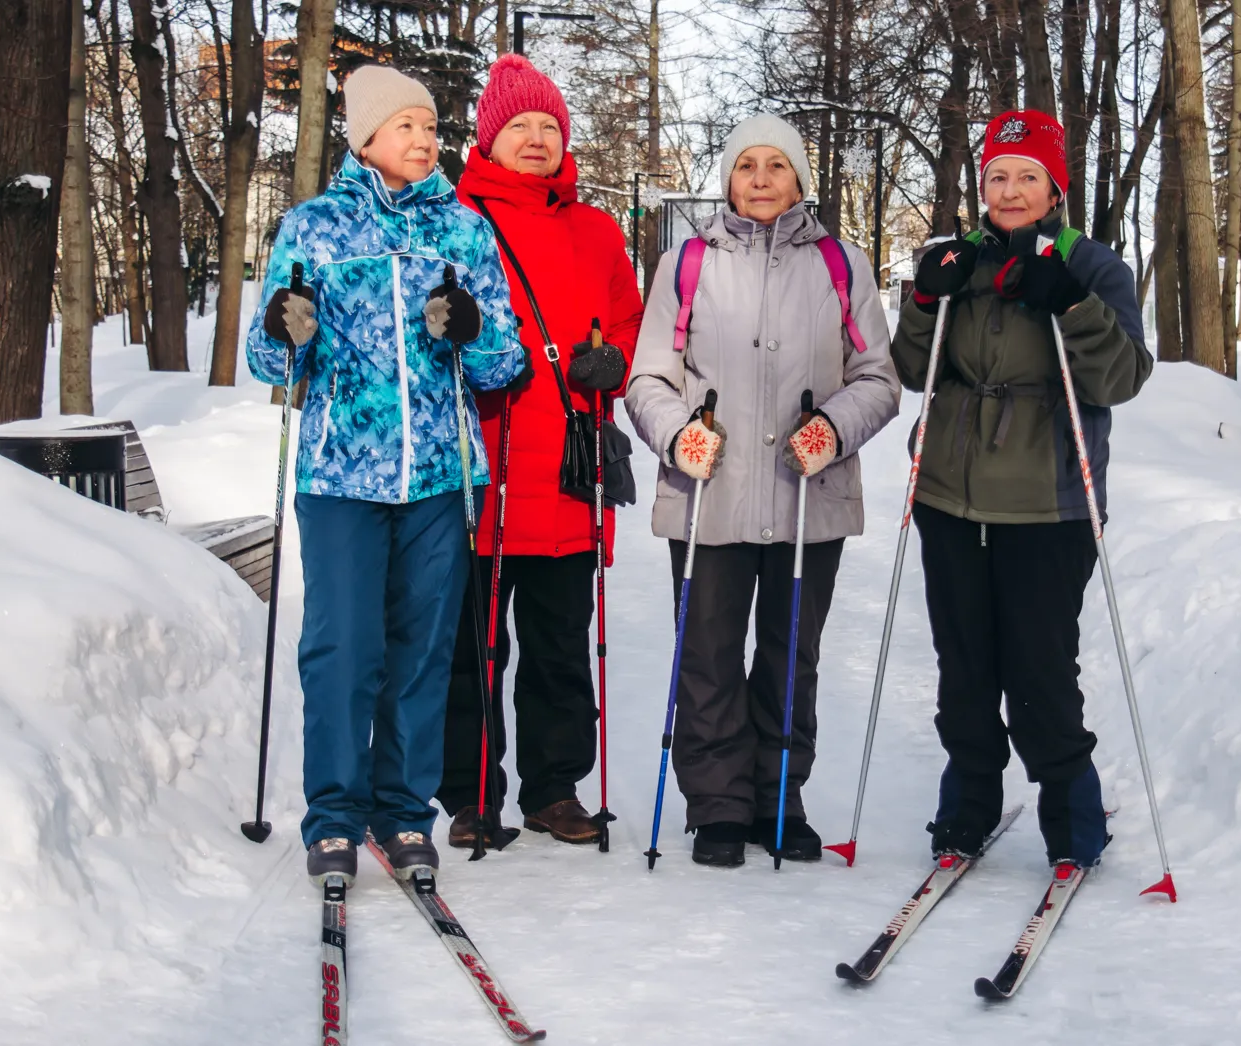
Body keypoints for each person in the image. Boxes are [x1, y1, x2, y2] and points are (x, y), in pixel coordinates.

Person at [245, 65, 525, 882]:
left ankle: (403, 813)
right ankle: (333, 816)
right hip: (339, 475)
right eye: (405, 125)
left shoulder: (463, 230)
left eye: (430, 126)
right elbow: (270, 360)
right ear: (365, 137)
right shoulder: (313, 227)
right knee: (342, 647)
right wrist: (284, 329)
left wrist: (471, 330)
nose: (424, 139)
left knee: (423, 650)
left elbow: (503, 362)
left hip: (440, 474)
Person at [626, 114, 901, 867]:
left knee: (790, 654)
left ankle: (778, 796)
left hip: (807, 496)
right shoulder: (687, 264)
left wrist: (833, 429)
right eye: (746, 165)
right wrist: (678, 433)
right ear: (727, 178)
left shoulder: (841, 264)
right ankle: (718, 805)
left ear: (800, 178)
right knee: (707, 654)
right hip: (709, 493)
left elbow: (877, 378)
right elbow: (647, 378)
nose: (759, 179)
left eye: (776, 165)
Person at [890, 110, 1152, 870]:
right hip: (949, 495)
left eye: (1027, 177)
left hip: (1050, 502)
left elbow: (1120, 379)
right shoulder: (956, 260)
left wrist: (1069, 302)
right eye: (997, 176)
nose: (1009, 191)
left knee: (1040, 670)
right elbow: (913, 370)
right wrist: (924, 301)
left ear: (1054, 188)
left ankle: (1072, 814)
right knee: (964, 666)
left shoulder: (1095, 267)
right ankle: (967, 803)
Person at [435, 54, 646, 849]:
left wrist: (615, 362)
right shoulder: (456, 223)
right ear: (488, 140)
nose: (535, 138)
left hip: (567, 471)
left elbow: (628, 322)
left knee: (560, 642)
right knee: (473, 647)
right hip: (481, 466)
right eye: (518, 125)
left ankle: (554, 788)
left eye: (547, 126)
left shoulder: (597, 230)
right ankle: (469, 793)